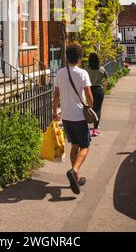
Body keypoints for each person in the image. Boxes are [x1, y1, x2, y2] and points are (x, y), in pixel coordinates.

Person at [52, 44, 93, 195]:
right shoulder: (82, 74)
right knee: (85, 146)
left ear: (67, 57)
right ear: (80, 58)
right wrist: (91, 107)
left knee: (74, 146)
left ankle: (76, 176)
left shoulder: (60, 73)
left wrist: (54, 112)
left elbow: (56, 95)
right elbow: (89, 95)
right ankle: (74, 170)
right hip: (79, 117)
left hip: (67, 117)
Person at [87, 52, 108, 136]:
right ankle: (95, 129)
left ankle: (86, 125)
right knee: (98, 109)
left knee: (89, 108)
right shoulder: (101, 69)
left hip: (89, 90)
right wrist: (104, 84)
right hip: (99, 89)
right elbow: (107, 78)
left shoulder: (87, 69)